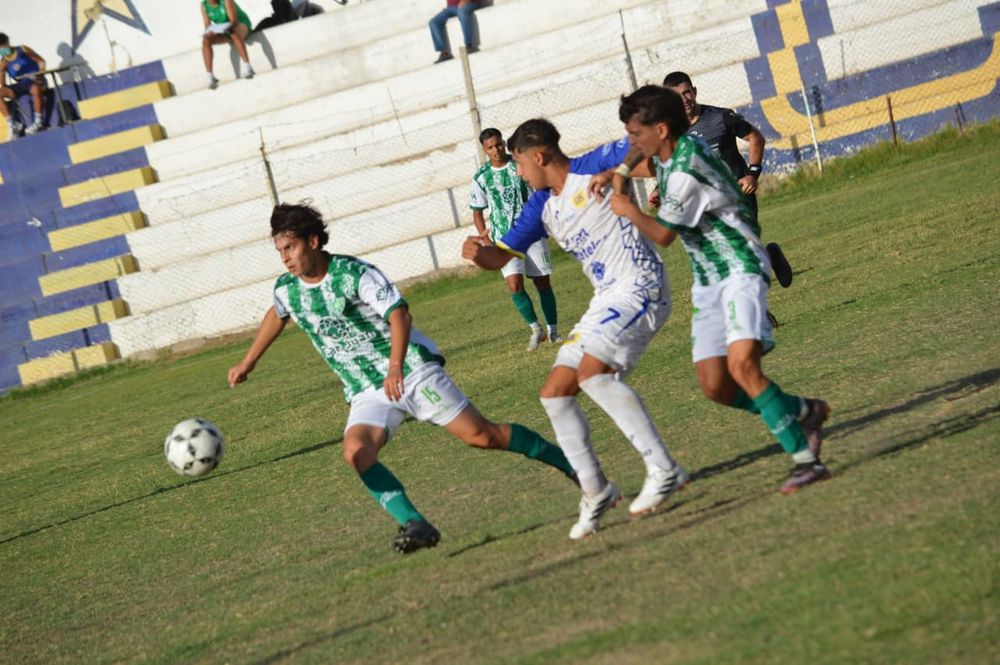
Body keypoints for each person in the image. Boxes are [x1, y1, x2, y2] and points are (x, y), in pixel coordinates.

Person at [228, 202, 578, 554]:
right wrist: (249, 362)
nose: (285, 258)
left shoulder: (353, 274)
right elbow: (278, 313)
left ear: (314, 241)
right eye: (280, 251)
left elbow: (399, 314)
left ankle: (569, 463)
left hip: (411, 370)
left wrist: (395, 367)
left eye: (290, 248)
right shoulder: (287, 288)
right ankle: (417, 523)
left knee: (483, 437)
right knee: (356, 452)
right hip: (367, 388)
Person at [463, 119, 688, 540]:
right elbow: (500, 257)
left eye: (519, 164)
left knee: (592, 376)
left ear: (539, 156)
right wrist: (479, 253)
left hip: (641, 285)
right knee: (554, 394)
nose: (519, 174)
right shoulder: (541, 206)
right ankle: (596, 489)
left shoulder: (594, 164)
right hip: (605, 299)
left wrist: (623, 172)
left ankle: (664, 467)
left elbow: (651, 148)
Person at [600, 84, 831, 494]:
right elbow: (641, 159)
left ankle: (806, 460)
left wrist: (627, 207)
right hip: (708, 280)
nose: (630, 142)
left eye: (636, 133)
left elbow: (663, 235)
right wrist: (617, 172)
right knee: (715, 386)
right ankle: (801, 411)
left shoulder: (688, 166)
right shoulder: (668, 153)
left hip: (739, 267)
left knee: (743, 369)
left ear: (662, 129)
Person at [661, 71, 793, 290]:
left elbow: (755, 138)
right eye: (677, 97)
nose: (684, 100)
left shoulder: (719, 117)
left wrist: (753, 173)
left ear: (694, 92)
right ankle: (768, 258)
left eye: (687, 93)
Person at [471, 128, 561, 350]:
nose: (496, 150)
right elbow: (477, 211)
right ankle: (536, 330)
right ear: (484, 150)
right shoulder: (481, 177)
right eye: (490, 147)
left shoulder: (519, 166)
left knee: (542, 282)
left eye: (498, 144)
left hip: (531, 231)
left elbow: (540, 189)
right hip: (505, 239)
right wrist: (485, 238)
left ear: (503, 143)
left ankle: (553, 331)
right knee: (514, 285)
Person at [0, 33, 46, 137]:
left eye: (3, 46)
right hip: (21, 85)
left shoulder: (22, 49)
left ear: (7, 43)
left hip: (35, 81)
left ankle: (38, 123)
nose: (1, 49)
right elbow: (2, 82)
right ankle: (12, 124)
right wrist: (5, 89)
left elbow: (41, 61)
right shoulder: (3, 61)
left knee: (35, 88)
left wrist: (41, 74)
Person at [201, 0, 255, 89]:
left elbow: (233, 21)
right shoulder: (204, 5)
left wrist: (219, 31)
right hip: (224, 30)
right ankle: (210, 75)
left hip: (240, 25)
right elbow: (207, 25)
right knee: (206, 40)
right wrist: (210, 32)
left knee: (233, 32)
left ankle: (247, 66)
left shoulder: (226, 1)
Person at [429, 0, 480, 64]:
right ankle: (444, 53)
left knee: (462, 11)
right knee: (433, 22)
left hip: (470, 3)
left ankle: (469, 46)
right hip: (451, 8)